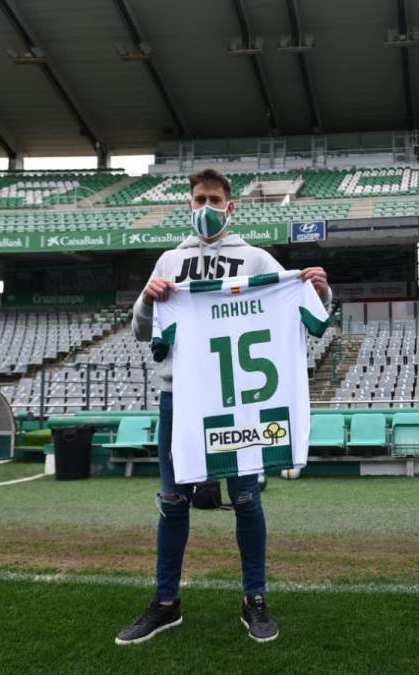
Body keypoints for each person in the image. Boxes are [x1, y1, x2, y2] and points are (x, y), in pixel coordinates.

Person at [116, 168, 330, 645]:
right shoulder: (169, 260)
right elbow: (139, 329)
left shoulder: (254, 259)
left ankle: (254, 599)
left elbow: (299, 305)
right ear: (189, 204)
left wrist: (320, 289)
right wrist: (149, 302)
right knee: (173, 502)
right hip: (180, 397)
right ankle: (166, 603)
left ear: (230, 207)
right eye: (198, 199)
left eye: (214, 198)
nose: (206, 207)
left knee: (248, 501)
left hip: (239, 402)